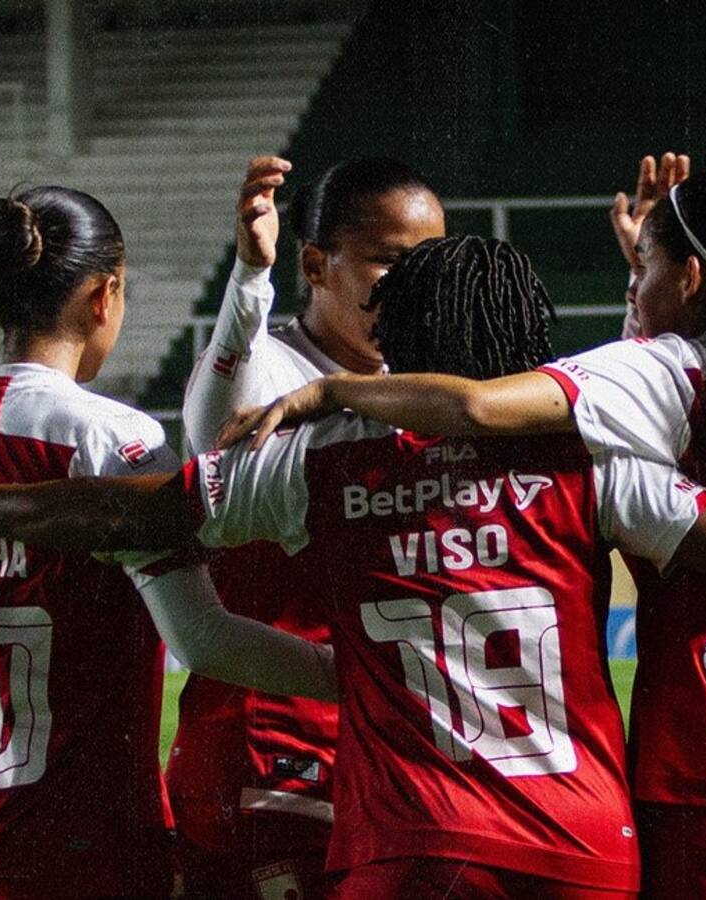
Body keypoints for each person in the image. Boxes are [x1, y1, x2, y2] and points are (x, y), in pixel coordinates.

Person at [0, 235, 706, 899]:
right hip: (579, 847)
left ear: (396, 346)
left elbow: (149, 508)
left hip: (406, 849)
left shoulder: (325, 458)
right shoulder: (589, 462)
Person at [226, 165, 706, 898]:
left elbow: (485, 408)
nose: (631, 286)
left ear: (687, 278)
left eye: (643, 269)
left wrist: (333, 390)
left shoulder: (659, 371)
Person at [0, 186, 333, 900]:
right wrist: (351, 674)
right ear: (105, 296)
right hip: (73, 848)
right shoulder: (107, 437)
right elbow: (203, 638)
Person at [171, 155, 446, 897]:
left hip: (380, 738)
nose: (415, 283)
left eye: (431, 262)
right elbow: (205, 439)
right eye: (392, 261)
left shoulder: (424, 385)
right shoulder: (271, 370)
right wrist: (248, 281)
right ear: (318, 264)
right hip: (267, 735)